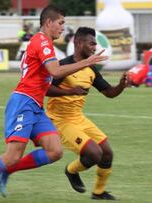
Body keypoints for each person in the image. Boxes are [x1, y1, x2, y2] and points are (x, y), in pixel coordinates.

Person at [0, 6, 108, 203]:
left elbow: (49, 76)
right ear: (48, 23)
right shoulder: (41, 42)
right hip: (23, 102)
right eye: (61, 23)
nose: (63, 28)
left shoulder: (45, 44)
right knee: (12, 155)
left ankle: (9, 170)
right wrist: (86, 62)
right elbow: (55, 72)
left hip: (36, 106)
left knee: (55, 151)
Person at [46, 27, 129, 200]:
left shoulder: (91, 69)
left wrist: (121, 85)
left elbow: (109, 93)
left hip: (78, 118)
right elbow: (46, 89)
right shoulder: (62, 66)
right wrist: (70, 91)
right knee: (94, 153)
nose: (94, 47)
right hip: (60, 121)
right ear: (78, 43)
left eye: (95, 44)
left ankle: (98, 192)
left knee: (107, 153)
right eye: (91, 43)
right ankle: (71, 171)